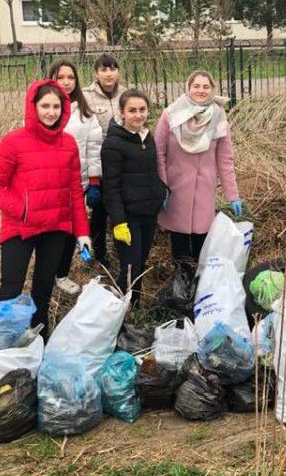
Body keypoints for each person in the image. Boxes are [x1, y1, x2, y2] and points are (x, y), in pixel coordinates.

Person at [0, 79, 91, 333]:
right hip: (21, 227)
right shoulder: (13, 142)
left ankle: (39, 335)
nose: (51, 112)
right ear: (33, 107)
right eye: (45, 105)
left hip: (55, 227)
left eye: (56, 106)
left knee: (43, 288)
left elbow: (74, 191)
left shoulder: (68, 144)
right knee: (11, 287)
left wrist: (83, 232)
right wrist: (23, 210)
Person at [155, 70, 243, 265]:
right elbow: (159, 154)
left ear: (212, 90)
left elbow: (225, 159)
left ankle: (199, 284)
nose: (201, 90)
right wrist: (162, 188)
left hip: (204, 190)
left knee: (202, 242)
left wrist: (232, 195)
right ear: (188, 87)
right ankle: (182, 281)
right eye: (196, 86)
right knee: (179, 245)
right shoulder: (170, 115)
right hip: (176, 190)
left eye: (206, 86)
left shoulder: (219, 117)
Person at [101, 89, 167, 306]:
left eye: (142, 110)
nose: (138, 115)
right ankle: (121, 313)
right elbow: (111, 188)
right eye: (132, 111)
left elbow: (152, 172)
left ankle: (135, 307)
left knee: (140, 264)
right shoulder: (113, 143)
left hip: (148, 214)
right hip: (128, 218)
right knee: (129, 268)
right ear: (122, 113)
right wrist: (119, 222)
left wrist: (161, 191)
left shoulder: (147, 137)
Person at [48, 60, 102, 296]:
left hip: (77, 183)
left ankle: (61, 273)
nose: (66, 82)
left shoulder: (85, 112)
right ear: (52, 79)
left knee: (71, 231)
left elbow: (93, 147)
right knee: (50, 232)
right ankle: (45, 271)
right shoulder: (45, 107)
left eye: (70, 77)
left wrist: (93, 181)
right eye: (61, 77)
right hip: (49, 184)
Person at [82, 54, 127, 264]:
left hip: (123, 161)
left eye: (112, 69)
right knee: (100, 209)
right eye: (103, 70)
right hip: (98, 161)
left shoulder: (126, 94)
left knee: (121, 206)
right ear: (96, 73)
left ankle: (122, 248)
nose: (108, 74)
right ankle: (99, 253)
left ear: (118, 71)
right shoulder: (86, 97)